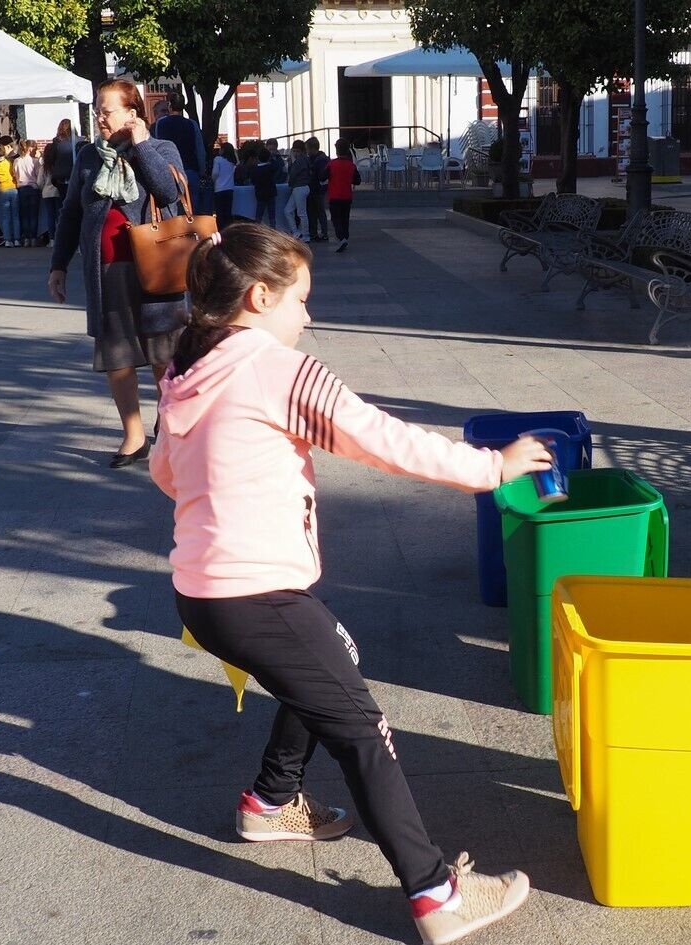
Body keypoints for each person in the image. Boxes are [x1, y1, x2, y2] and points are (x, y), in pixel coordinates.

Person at [149, 221, 538, 945]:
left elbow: (166, 473)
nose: (307, 315)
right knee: (363, 731)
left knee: (336, 656)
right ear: (259, 297)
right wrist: (492, 467)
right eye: (301, 299)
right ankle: (436, 895)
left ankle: (271, 802)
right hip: (253, 593)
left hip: (202, 591)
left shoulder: (186, 368)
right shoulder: (276, 368)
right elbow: (380, 438)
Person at [46, 78, 191, 469]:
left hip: (157, 268)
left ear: (132, 112)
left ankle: (169, 427)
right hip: (106, 270)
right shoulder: (89, 156)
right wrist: (59, 264)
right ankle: (134, 435)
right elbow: (71, 214)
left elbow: (168, 193)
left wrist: (141, 146)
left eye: (106, 111)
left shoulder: (161, 148)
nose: (99, 118)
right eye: (97, 110)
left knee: (163, 354)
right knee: (118, 356)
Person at [153, 93, 207, 207]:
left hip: (170, 171)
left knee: (172, 207)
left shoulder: (160, 124)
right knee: (193, 206)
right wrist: (202, 171)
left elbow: (157, 147)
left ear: (169, 105)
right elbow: (200, 149)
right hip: (190, 170)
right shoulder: (192, 124)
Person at [326, 139, 361, 253]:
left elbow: (322, 176)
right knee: (345, 218)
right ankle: (345, 236)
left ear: (336, 150)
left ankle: (341, 238)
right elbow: (357, 181)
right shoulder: (351, 165)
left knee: (336, 219)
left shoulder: (331, 164)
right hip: (347, 196)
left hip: (335, 196)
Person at [47, 118, 79, 232]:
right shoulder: (79, 141)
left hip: (62, 179)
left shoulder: (57, 143)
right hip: (75, 178)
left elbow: (51, 160)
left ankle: (65, 232)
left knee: (63, 208)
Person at [0, 142, 21, 246]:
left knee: (5, 217)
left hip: (2, 190)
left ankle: (7, 240)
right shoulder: (9, 162)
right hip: (13, 188)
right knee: (15, 216)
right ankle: (17, 239)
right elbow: (14, 174)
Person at [284, 141, 312, 240]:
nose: (295, 153)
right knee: (289, 211)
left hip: (299, 187)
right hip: (302, 187)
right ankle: (299, 233)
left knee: (299, 213)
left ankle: (304, 235)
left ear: (302, 151)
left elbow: (292, 174)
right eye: (294, 151)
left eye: (297, 151)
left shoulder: (300, 161)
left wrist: (291, 163)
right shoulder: (304, 159)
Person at [306, 136, 329, 242]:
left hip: (318, 189)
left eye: (307, 149)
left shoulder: (320, 161)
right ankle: (314, 233)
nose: (307, 152)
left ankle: (323, 232)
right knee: (314, 212)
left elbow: (322, 177)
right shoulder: (316, 159)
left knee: (319, 212)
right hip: (313, 189)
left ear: (312, 149)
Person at [211, 141, 238, 228]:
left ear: (223, 150)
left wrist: (213, 180)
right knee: (228, 212)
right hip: (230, 188)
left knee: (220, 212)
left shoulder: (217, 159)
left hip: (219, 188)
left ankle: (221, 230)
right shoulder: (232, 162)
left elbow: (215, 173)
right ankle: (228, 229)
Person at [249, 148, 279, 228]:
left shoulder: (255, 170)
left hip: (260, 194)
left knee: (259, 215)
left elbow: (253, 181)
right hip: (271, 193)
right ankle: (273, 230)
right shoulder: (270, 168)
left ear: (258, 158)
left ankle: (256, 230)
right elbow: (277, 167)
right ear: (269, 157)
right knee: (272, 216)